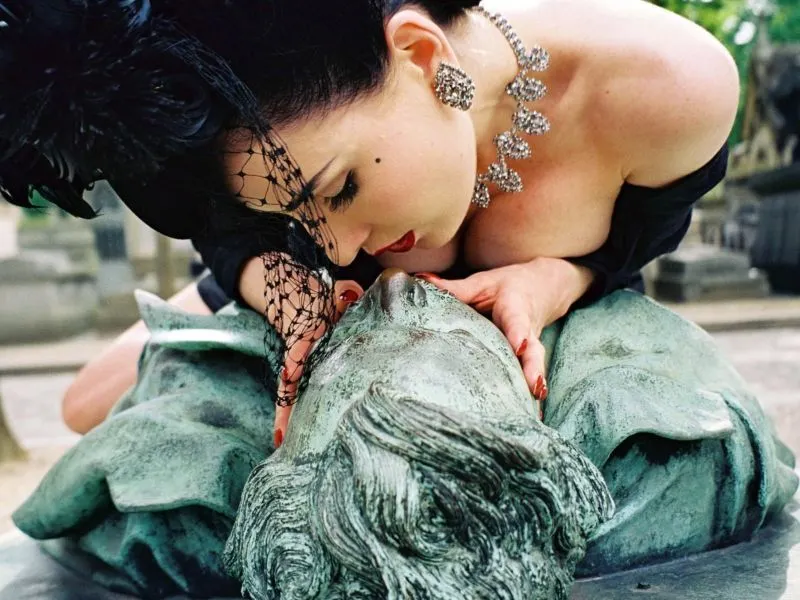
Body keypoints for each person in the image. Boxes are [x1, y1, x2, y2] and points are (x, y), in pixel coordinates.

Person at [0, 0, 738, 445]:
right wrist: (281, 286)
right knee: (88, 405)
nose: (339, 244)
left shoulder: (667, 85)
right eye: (297, 211)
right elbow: (230, 228)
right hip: (300, 287)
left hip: (536, 349)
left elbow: (640, 236)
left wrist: (559, 276)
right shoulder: (306, 229)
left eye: (341, 188)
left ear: (419, 52)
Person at [3, 272, 795, 600]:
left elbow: (85, 431)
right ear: (539, 414)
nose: (396, 288)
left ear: (280, 437)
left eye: (345, 354)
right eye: (440, 334)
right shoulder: (676, 457)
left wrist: (244, 295)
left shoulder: (188, 515)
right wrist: (562, 271)